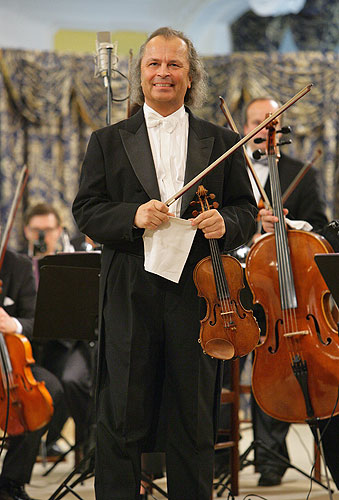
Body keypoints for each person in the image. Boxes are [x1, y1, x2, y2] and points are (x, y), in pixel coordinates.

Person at [72, 26, 257, 500]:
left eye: (174, 64)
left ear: (190, 75)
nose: (163, 73)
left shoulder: (221, 140)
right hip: (130, 290)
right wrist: (132, 214)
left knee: (193, 421)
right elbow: (86, 210)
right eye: (154, 63)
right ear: (140, 72)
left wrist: (227, 224)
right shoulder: (107, 141)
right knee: (121, 419)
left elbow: (245, 210)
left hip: (198, 295)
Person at [243, 97, 330, 487]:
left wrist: (291, 224)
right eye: (257, 121)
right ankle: (217, 450)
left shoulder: (300, 172)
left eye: (271, 121)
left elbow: (323, 228)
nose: (264, 127)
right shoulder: (230, 172)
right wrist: (248, 225)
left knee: (281, 360)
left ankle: (272, 459)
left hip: (286, 286)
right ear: (244, 128)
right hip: (234, 285)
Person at [23, 203, 94, 459]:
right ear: (26, 231)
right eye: (36, 230)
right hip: (31, 345)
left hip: (68, 342)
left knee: (70, 380)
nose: (42, 237)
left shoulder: (73, 258)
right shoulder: (20, 263)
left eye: (48, 230)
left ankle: (88, 443)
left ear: (59, 230)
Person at [0, 247, 64, 500]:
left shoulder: (19, 266)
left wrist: (12, 324)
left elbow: (36, 321)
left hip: (12, 366)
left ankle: (11, 482)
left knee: (48, 390)